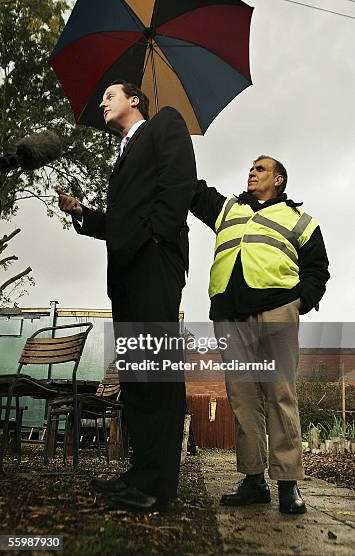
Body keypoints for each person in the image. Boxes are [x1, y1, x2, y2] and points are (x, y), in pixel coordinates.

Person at [56, 80, 197, 511]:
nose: (102, 100)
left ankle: (159, 486)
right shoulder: (121, 156)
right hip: (125, 274)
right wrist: (83, 213)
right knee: (136, 378)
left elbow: (179, 184)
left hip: (154, 264)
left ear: (135, 99)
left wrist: (156, 238)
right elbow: (122, 221)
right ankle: (139, 474)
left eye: (110, 95)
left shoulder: (165, 124)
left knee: (157, 373)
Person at [190, 155, 329, 514]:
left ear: (279, 179)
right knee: (242, 397)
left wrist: (300, 303)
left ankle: (287, 483)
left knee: (280, 393)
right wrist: (169, 140)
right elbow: (193, 190)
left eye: (261, 168)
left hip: (277, 312)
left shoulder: (300, 220)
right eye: (251, 168)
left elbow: (318, 268)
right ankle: (253, 480)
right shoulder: (227, 209)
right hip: (230, 315)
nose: (252, 172)